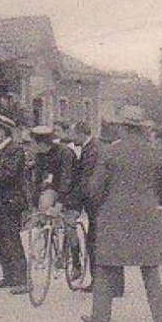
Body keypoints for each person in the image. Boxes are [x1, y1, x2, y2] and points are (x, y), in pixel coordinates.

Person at [83, 105, 162, 322]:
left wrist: (99, 206)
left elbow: (95, 188)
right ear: (142, 129)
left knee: (105, 266)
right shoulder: (153, 153)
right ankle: (160, 317)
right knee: (150, 267)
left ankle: (101, 315)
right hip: (146, 214)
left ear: (123, 128)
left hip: (114, 214)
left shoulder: (109, 152)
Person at [0, 114, 30, 293]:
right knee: (1, 239)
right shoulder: (0, 150)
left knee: (11, 239)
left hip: (12, 200)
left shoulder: (15, 150)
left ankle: (23, 281)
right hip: (1, 201)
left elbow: (7, 174)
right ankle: (10, 276)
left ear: (2, 132)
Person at [69, 119, 103, 291]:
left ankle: (100, 283)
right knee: (96, 241)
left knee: (95, 241)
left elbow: (86, 181)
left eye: (72, 133)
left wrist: (74, 205)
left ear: (81, 133)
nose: (70, 136)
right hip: (97, 202)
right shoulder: (91, 147)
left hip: (97, 203)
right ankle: (101, 282)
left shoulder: (93, 150)